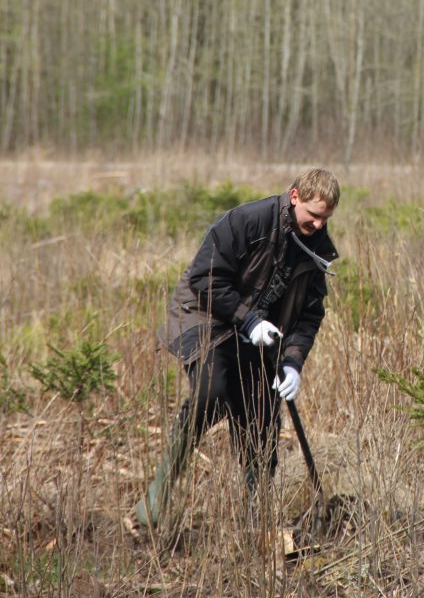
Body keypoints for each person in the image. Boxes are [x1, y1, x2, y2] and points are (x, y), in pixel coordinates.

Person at [134, 168, 340, 528]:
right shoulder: (246, 221)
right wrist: (248, 320)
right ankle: (158, 496)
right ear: (294, 197)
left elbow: (309, 315)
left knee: (261, 419)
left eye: (326, 218)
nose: (319, 225)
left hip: (258, 336)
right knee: (210, 392)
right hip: (206, 317)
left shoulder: (316, 248)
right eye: (313, 215)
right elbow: (204, 278)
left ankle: (256, 517)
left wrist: (292, 363)